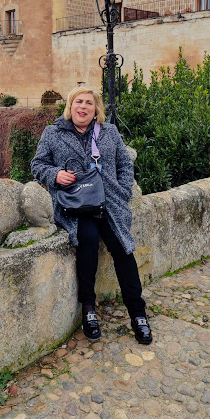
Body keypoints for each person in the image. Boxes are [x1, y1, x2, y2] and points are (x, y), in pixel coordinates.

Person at [31, 86, 152, 344]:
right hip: (76, 205)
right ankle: (88, 309)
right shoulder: (53, 133)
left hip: (110, 203)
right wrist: (55, 175)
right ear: (70, 106)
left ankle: (138, 313)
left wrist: (123, 191)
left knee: (123, 249)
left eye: (89, 102)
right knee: (87, 241)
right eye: (78, 102)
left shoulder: (109, 132)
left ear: (96, 109)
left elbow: (124, 164)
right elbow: (37, 164)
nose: (83, 107)